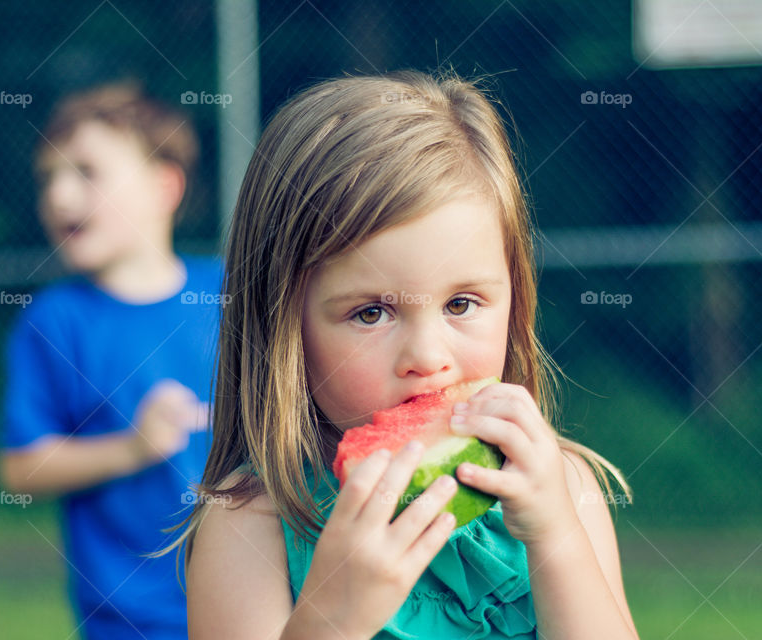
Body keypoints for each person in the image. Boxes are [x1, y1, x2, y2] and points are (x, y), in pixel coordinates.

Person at [176, 70, 639, 639]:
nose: (428, 357)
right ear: (284, 329)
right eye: (371, 312)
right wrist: (331, 617)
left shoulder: (563, 487)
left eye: (463, 303)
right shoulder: (250, 525)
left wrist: (556, 539)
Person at [0, 82, 222, 640]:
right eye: (48, 176)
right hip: (126, 620)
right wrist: (133, 448)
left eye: (86, 171)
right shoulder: (54, 321)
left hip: (254, 599)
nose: (59, 195)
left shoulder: (231, 295)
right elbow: (21, 469)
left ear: (164, 186)